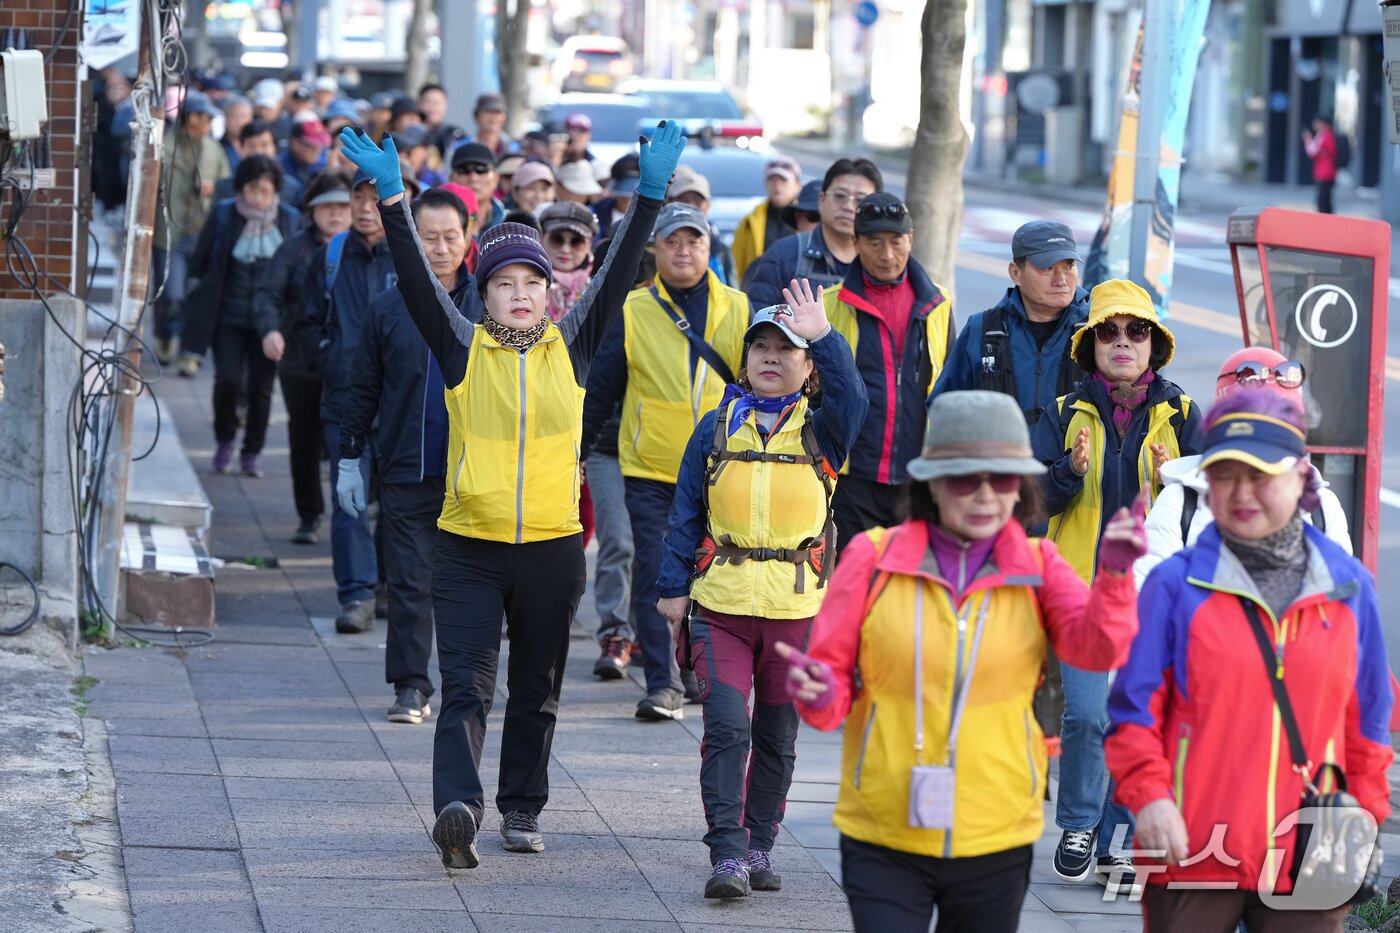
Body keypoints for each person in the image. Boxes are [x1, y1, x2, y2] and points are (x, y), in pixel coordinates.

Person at [335, 119, 682, 867]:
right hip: (469, 547)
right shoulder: (461, 346)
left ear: (549, 294)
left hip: (553, 549)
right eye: (504, 283)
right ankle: (458, 805)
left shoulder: (575, 344)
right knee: (464, 685)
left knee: (537, 688)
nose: (520, 294)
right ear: (484, 293)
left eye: (533, 283)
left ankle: (522, 807)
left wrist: (649, 196)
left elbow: (620, 268)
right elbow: (417, 276)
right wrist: (393, 197)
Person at [781, 389, 1146, 933]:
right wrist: (818, 693)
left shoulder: (1040, 565)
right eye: (963, 477)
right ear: (932, 483)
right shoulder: (873, 557)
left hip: (997, 830)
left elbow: (1097, 651)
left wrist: (1114, 578)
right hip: (884, 828)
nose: (983, 494)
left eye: (1001, 478)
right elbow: (828, 696)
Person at [1107, 388, 1391, 931]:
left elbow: (1370, 726)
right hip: (1191, 850)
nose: (1241, 492)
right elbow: (1132, 716)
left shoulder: (1350, 589)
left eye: (1260, 475)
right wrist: (1148, 799)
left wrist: (1364, 819)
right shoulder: (1174, 586)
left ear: (1301, 478)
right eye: (1224, 474)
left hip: (1310, 856)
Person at [657, 283, 866, 898]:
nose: (771, 357)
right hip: (719, 606)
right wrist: (672, 589)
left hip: (796, 611)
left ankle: (759, 845)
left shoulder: (827, 431)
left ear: (807, 368)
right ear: (745, 360)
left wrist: (824, 336)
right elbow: (683, 512)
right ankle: (726, 853)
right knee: (726, 727)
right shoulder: (716, 425)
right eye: (761, 348)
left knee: (777, 735)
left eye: (787, 349)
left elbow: (854, 394)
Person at [1030, 278, 1204, 894]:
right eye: (1108, 331)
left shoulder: (1181, 416)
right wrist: (1068, 472)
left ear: (1154, 345)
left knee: (1137, 717)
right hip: (1080, 587)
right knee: (1085, 714)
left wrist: (1174, 483)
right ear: (1090, 346)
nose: (1122, 342)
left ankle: (1119, 841)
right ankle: (1079, 823)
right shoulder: (1061, 415)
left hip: (1155, 591)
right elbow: (1034, 504)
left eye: (1136, 332)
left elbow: (1205, 515)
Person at [581, 202, 750, 720]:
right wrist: (575, 455)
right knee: (656, 575)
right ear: (656, 248)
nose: (683, 250)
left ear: (708, 248)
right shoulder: (632, 310)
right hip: (650, 469)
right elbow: (601, 390)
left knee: (711, 578)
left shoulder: (740, 308)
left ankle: (699, 672)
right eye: (673, 241)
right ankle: (662, 683)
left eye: (693, 241)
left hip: (723, 469)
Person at [337, 187, 485, 725]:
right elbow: (363, 390)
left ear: (468, 237)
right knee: (407, 581)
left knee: (468, 586)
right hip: (405, 466)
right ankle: (411, 686)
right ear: (412, 241)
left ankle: (468, 684)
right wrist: (350, 457)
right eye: (430, 238)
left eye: (451, 237)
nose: (442, 248)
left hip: (473, 476)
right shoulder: (388, 309)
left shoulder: (488, 308)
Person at [300, 167, 412, 634]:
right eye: (357, 199)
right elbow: (308, 321)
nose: (366, 209)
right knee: (349, 498)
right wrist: (329, 359)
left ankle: (387, 583)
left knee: (397, 500)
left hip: (399, 403)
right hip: (344, 401)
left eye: (373, 198)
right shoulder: (332, 254)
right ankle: (357, 593)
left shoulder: (411, 257)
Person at [1135, 347, 1351, 587]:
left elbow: (1346, 602)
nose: (1244, 492)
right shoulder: (1180, 502)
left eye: (1282, 425)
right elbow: (1145, 600)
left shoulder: (1323, 507)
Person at [822, 192, 954, 548]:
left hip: (918, 477)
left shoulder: (939, 304)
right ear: (855, 242)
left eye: (896, 242)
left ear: (910, 239)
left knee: (911, 589)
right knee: (856, 586)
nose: (887, 255)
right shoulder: (829, 305)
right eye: (874, 243)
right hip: (850, 477)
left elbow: (952, 388)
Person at [183, 155, 301, 476]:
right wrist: (194, 298)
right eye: (252, 189)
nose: (258, 196)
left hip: (271, 322)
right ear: (241, 188)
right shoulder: (224, 214)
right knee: (228, 380)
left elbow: (297, 271)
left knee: (261, 389)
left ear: (275, 189)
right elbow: (200, 259)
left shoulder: (289, 220)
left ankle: (252, 451)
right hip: (227, 315)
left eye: (264, 189)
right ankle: (224, 440)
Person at [254, 171, 353, 544]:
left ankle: (354, 515)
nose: (335, 214)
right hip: (299, 359)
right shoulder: (294, 248)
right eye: (326, 207)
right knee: (304, 439)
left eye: (342, 207)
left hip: (349, 363)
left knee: (348, 440)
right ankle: (309, 515)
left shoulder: (364, 249)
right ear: (311, 211)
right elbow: (268, 293)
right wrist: (270, 329)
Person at [931, 220, 1088, 422]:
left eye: (1069, 265)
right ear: (1015, 272)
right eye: (1047, 268)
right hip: (997, 454)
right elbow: (943, 408)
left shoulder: (1099, 330)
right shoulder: (982, 330)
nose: (1061, 280)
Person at [152, 90, 231, 370]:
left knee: (197, 296)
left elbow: (226, 187)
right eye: (204, 115)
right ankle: (164, 333)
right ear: (190, 116)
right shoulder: (162, 145)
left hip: (202, 231)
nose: (208, 121)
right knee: (171, 293)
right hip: (168, 230)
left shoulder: (213, 148)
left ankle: (189, 351)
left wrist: (213, 188)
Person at [744, 158, 882, 309]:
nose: (849, 206)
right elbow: (756, 323)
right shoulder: (783, 255)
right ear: (822, 200)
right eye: (840, 196)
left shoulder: (886, 262)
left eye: (860, 200)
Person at [730, 155, 801, 283]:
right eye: (771, 179)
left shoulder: (809, 219)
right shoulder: (750, 221)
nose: (777, 185)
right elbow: (735, 266)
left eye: (783, 180)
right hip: (759, 293)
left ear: (797, 185)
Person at [667, 166, 736, 285]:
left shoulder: (720, 248)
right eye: (683, 199)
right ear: (668, 202)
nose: (691, 206)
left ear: (708, 206)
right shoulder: (653, 241)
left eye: (698, 199)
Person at [215, 121, 305, 207]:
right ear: (241, 149)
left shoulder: (291, 188)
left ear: (274, 148)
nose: (258, 151)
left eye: (264, 145)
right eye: (252, 146)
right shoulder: (224, 188)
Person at [540, 201, 599, 320]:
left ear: (590, 242)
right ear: (541, 237)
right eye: (557, 239)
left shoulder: (600, 285)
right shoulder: (524, 283)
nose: (565, 250)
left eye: (576, 241)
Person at [449, 143, 506, 231]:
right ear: (451, 178)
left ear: (496, 178)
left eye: (481, 169)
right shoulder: (436, 220)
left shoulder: (508, 223)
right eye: (464, 170)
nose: (473, 178)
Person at [592, 153, 639, 242]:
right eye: (622, 194)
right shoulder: (596, 211)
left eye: (632, 195)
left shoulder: (653, 217)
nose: (626, 198)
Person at [281, 119, 331, 190]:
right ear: (294, 143)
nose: (316, 150)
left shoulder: (324, 166)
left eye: (320, 144)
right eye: (311, 145)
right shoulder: (279, 167)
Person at [1302, 114, 1338, 215]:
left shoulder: (1324, 136)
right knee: (1326, 198)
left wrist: (1307, 139)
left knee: (1322, 200)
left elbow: (1312, 151)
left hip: (1325, 172)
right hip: (1328, 171)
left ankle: (1326, 220)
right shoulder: (1328, 135)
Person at [418, 83, 466, 158]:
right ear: (419, 104)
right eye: (428, 102)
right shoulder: (411, 135)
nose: (432, 107)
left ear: (445, 106)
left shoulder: (456, 135)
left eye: (436, 103)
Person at [469, 92, 513, 158]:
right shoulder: (465, 147)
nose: (493, 118)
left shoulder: (513, 147)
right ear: (477, 115)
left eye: (497, 112)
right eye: (488, 112)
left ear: (504, 117)